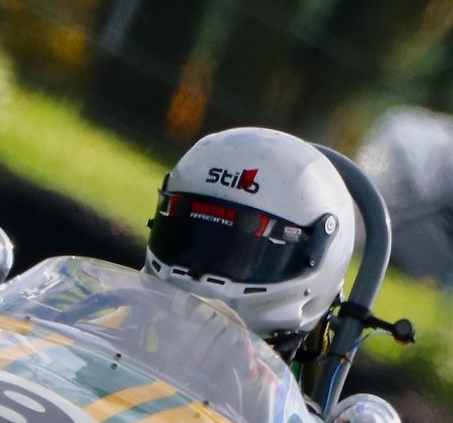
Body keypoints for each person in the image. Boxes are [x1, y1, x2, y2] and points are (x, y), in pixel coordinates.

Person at [143, 127, 358, 362]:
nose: (198, 270)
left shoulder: (266, 385)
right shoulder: (120, 320)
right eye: (188, 235)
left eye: (239, 252)